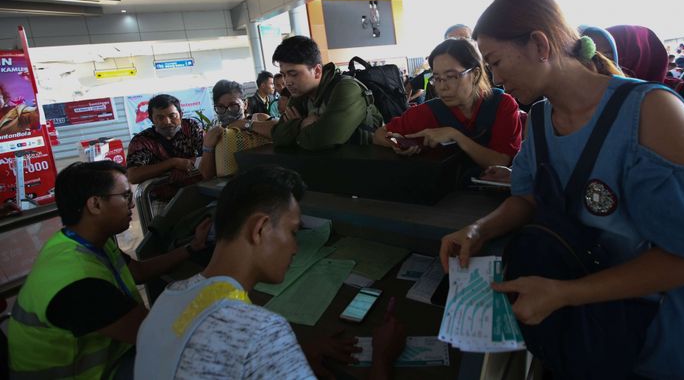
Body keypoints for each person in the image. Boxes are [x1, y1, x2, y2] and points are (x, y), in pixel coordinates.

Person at [441, 0, 684, 379]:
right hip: (599, 326)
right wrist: (479, 230)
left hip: (667, 333)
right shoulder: (539, 120)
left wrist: (566, 294)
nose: (497, 80)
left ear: (539, 44)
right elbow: (528, 196)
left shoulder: (653, 112)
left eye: (497, 62)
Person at [134, 165, 405, 379]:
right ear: (260, 228)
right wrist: (382, 357)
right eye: (292, 232)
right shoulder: (262, 332)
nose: (295, 248)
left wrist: (287, 354)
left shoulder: (170, 297)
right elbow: (247, 343)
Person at [8, 161, 211, 380]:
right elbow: (157, 335)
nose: (132, 205)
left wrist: (192, 247)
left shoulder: (82, 241)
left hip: (112, 359)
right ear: (95, 204)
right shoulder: (78, 282)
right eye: (125, 196)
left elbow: (139, 272)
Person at [373, 39, 522, 170]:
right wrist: (398, 144)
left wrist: (455, 135)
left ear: (475, 74)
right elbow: (379, 135)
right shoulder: (428, 112)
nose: (442, 87)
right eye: (437, 79)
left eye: (451, 77)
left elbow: (501, 162)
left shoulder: (501, 105)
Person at [270, 35, 383, 150]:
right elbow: (277, 136)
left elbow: (324, 140)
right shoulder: (299, 94)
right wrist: (302, 124)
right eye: (284, 75)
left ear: (317, 71)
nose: (287, 82)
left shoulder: (346, 89)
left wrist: (293, 130)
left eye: (293, 74)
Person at [200, 79, 271, 180]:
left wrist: (246, 124)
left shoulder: (258, 119)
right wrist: (207, 147)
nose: (227, 111)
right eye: (221, 107)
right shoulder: (216, 135)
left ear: (245, 104)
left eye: (233, 105)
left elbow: (278, 131)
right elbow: (206, 175)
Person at [126, 94, 203, 186]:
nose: (167, 122)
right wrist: (172, 163)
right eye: (160, 118)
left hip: (198, 188)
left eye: (172, 116)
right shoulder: (142, 141)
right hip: (161, 198)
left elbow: (209, 153)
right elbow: (133, 176)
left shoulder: (190, 127)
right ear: (151, 119)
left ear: (181, 115)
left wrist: (184, 165)